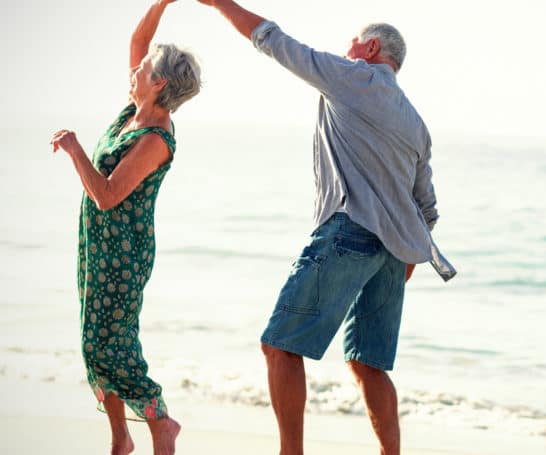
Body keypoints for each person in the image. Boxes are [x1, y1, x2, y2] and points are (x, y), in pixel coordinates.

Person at [197, 1, 440, 453]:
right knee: (369, 363)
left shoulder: (352, 77)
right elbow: (426, 205)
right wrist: (408, 258)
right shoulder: (415, 121)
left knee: (279, 347)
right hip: (394, 251)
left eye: (351, 43)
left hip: (350, 233)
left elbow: (274, 40)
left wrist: (218, 4)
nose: (345, 50)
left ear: (370, 48)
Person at [50, 1, 201, 454]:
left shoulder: (155, 137)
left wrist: (76, 150)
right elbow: (138, 43)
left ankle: (160, 422)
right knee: (93, 345)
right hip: (97, 246)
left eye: (145, 69)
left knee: (111, 350)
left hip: (123, 255)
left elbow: (108, 195)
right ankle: (120, 438)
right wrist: (162, 3)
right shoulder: (134, 110)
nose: (135, 69)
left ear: (160, 84)